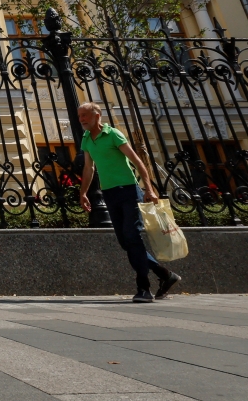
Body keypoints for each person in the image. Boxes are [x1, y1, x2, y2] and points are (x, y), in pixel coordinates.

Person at [77, 102, 181, 303]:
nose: (81, 119)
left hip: (128, 191)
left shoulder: (113, 134)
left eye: (85, 115)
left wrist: (148, 189)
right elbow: (89, 169)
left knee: (132, 236)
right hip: (109, 194)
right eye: (80, 115)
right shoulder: (87, 139)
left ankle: (144, 288)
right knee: (125, 241)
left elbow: (137, 161)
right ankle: (165, 275)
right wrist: (83, 193)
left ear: (97, 116)